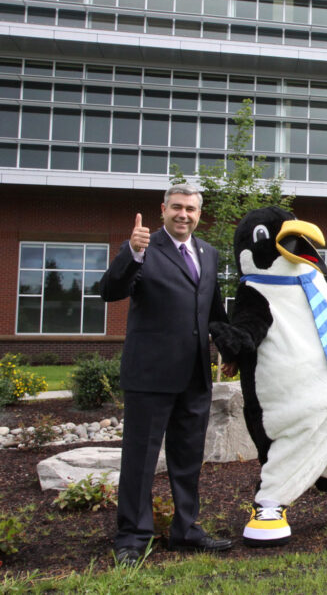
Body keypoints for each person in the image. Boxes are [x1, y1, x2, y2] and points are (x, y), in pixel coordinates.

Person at [100, 184, 234, 565]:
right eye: (177, 207)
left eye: (190, 209)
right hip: (150, 376)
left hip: (195, 375)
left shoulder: (208, 254)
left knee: (188, 458)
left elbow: (212, 309)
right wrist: (132, 253)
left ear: (198, 213)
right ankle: (132, 537)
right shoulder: (145, 249)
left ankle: (186, 529)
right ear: (163, 209)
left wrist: (230, 350)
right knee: (140, 460)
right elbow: (110, 291)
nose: (184, 215)